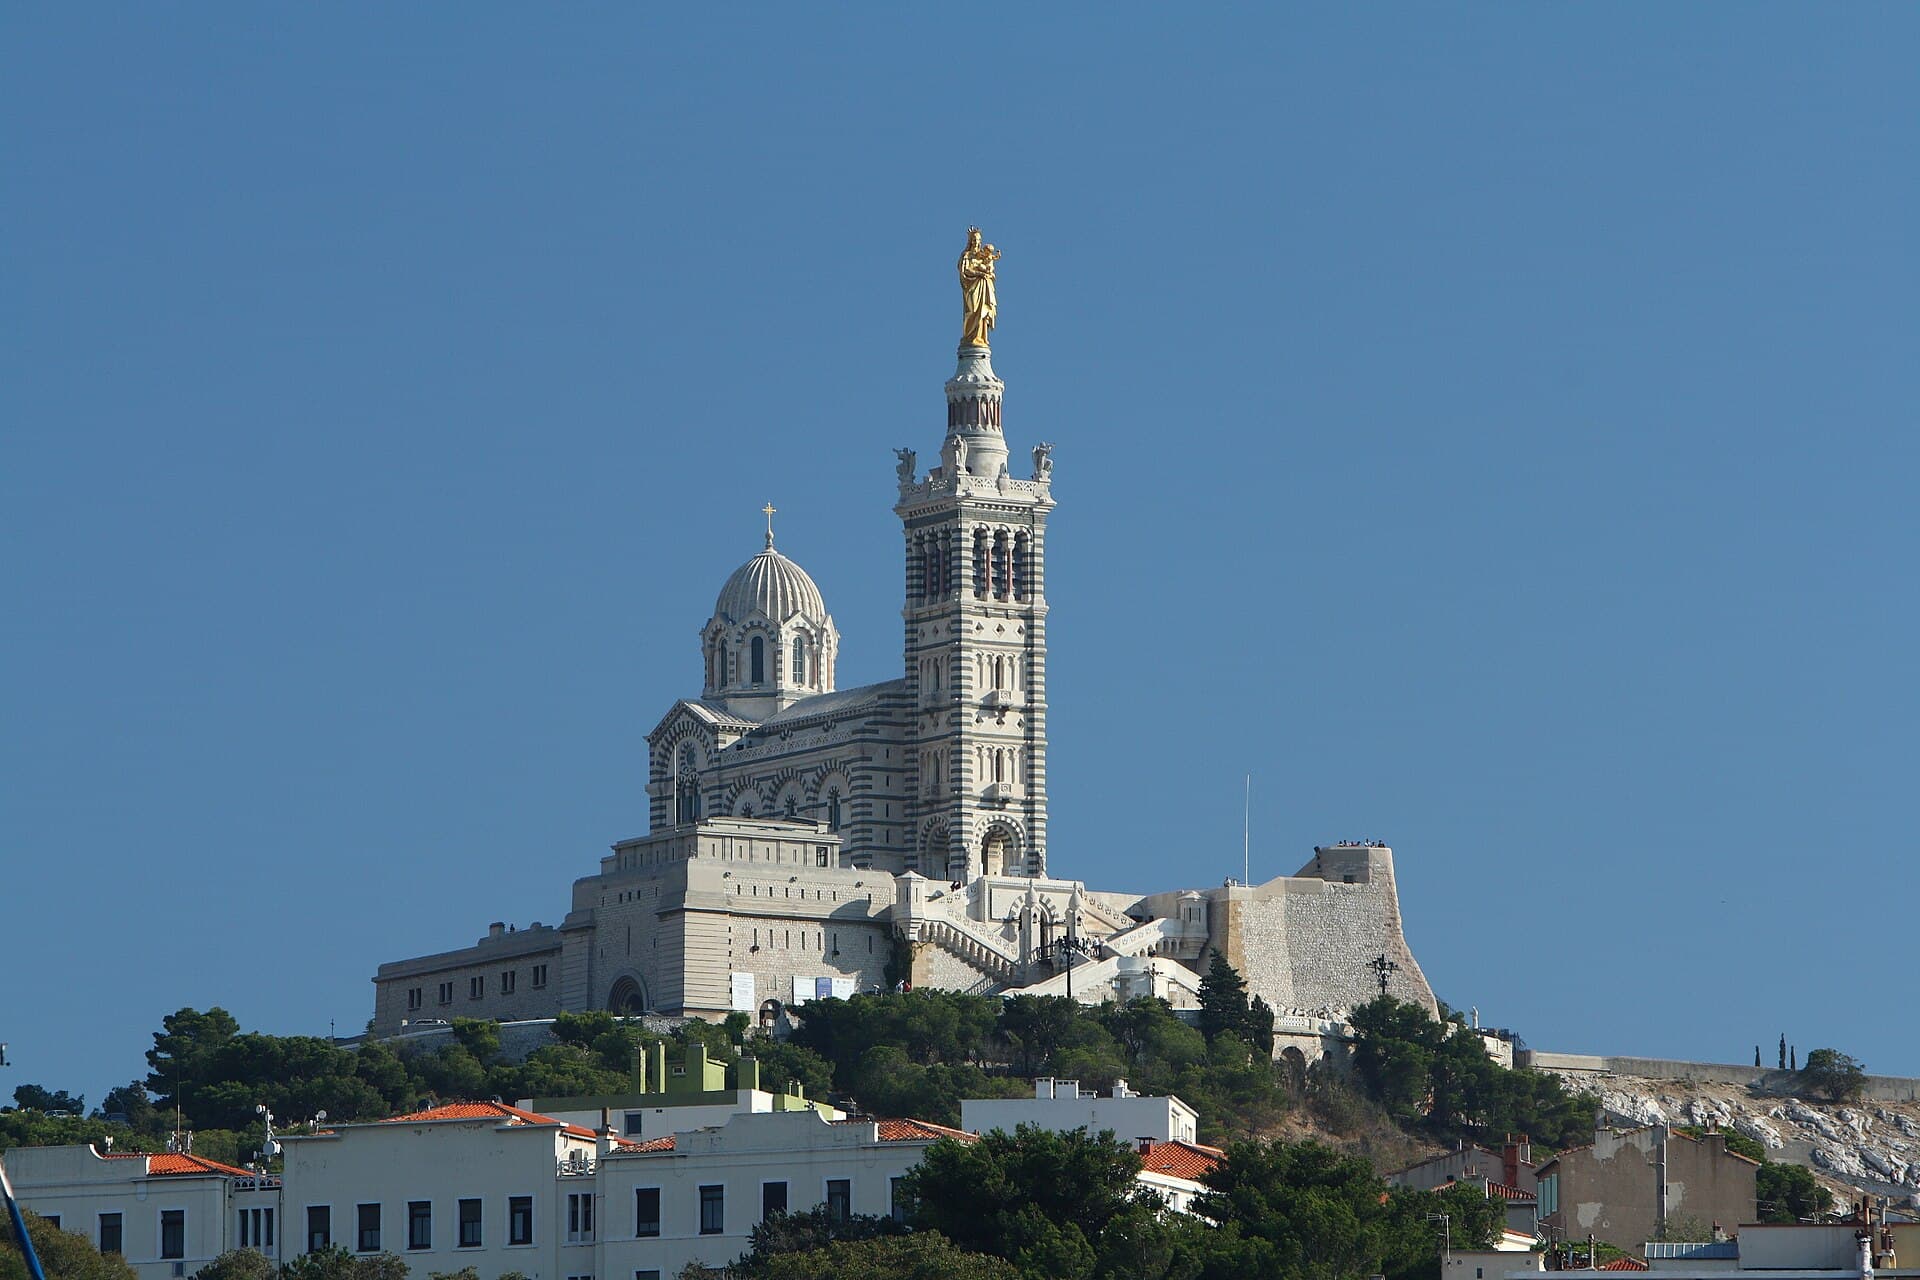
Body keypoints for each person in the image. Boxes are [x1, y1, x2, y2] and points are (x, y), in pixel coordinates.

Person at [958, 226, 1000, 347]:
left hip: (984, 286)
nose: (977, 243)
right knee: (972, 311)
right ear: (971, 241)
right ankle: (970, 337)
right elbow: (965, 271)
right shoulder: (966, 256)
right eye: (975, 240)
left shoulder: (982, 256)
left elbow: (990, 266)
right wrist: (979, 273)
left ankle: (981, 337)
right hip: (972, 287)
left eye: (978, 240)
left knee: (983, 312)